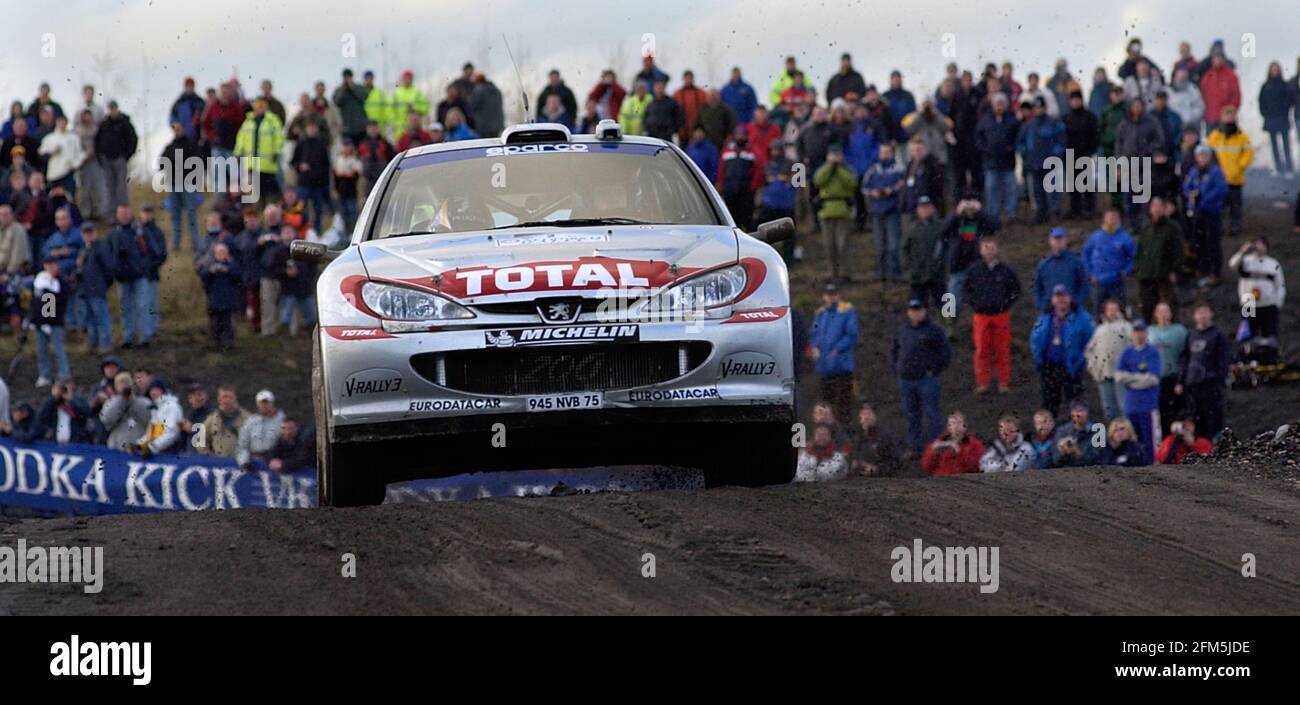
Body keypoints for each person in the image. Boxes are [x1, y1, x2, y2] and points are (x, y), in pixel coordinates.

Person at [891, 298, 951, 455]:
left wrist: (935, 370)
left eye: (918, 309)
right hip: (906, 380)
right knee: (911, 415)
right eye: (912, 310)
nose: (915, 313)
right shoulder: (903, 330)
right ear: (908, 312)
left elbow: (946, 353)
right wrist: (896, 368)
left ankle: (936, 448)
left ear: (925, 311)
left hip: (927, 379)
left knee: (932, 414)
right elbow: (894, 350)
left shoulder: (934, 330)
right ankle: (914, 447)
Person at [963, 237, 1020, 393]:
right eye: (986, 248)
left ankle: (1003, 382)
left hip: (1001, 315)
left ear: (997, 249)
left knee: (1002, 349)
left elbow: (1016, 290)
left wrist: (1006, 304)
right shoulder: (974, 270)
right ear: (981, 250)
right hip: (981, 316)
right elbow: (966, 290)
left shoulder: (1006, 270)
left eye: (992, 248)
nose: (989, 251)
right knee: (981, 350)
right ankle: (982, 383)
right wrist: (975, 304)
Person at [1030, 285, 1094, 417]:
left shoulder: (1082, 317)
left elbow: (1091, 341)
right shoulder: (1045, 317)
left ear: (1070, 298)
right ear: (1053, 299)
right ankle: (1050, 434)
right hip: (1049, 367)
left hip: (1072, 368)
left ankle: (1077, 432)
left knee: (1075, 404)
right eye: (1057, 297)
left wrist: (1082, 360)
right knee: (1049, 404)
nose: (1061, 300)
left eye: (1064, 296)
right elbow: (1035, 339)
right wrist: (1038, 358)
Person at [942, 195, 997, 333]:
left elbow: (995, 226)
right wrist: (957, 213)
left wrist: (980, 212)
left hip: (978, 266)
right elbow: (943, 231)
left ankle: (981, 328)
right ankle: (950, 327)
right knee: (952, 300)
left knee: (980, 299)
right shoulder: (955, 220)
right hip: (958, 266)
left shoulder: (981, 220)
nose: (969, 208)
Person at [1176, 302, 1231, 440]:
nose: (1203, 316)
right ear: (1194, 316)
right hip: (1193, 385)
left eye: (1205, 312)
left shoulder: (1217, 335)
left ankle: (1215, 447)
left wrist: (1220, 379)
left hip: (1211, 384)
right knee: (1196, 418)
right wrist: (1180, 381)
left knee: (1213, 418)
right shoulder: (1191, 335)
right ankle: (1201, 449)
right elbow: (1185, 359)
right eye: (1199, 313)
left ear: (1211, 314)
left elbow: (1223, 359)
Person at [1227, 237, 1285, 365]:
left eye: (1262, 244)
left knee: (1269, 334)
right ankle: (1246, 360)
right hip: (1248, 302)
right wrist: (1242, 251)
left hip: (1268, 303)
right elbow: (1232, 264)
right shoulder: (1245, 260)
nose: (1259, 247)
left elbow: (1280, 285)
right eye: (1256, 244)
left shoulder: (1273, 263)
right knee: (1247, 334)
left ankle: (1269, 361)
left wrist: (1277, 303)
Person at [1114, 319, 1163, 460]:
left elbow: (1153, 379)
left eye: (1141, 331)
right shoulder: (1126, 353)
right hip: (1131, 406)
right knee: (1133, 441)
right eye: (1136, 332)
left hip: (1148, 405)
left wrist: (1130, 380)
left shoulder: (1153, 352)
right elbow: (1118, 377)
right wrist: (1140, 378)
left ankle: (1153, 468)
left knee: (1150, 442)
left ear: (1146, 333)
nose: (1139, 335)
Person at [809, 283, 858, 423]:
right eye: (828, 295)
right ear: (824, 296)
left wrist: (838, 349)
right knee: (825, 405)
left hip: (842, 366)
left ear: (838, 295)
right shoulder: (820, 313)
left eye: (834, 294)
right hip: (824, 367)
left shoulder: (847, 310)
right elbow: (814, 334)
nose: (831, 297)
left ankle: (845, 436)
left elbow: (851, 334)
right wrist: (814, 347)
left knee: (844, 405)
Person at [1182, 144, 1228, 287]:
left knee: (1212, 243)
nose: (1202, 158)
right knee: (1199, 242)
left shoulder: (1215, 172)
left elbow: (1221, 190)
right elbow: (1186, 187)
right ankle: (1202, 270)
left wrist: (1202, 198)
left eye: (1204, 155)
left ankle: (1215, 273)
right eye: (1199, 156)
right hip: (1197, 213)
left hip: (1211, 213)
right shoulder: (1194, 171)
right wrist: (1191, 195)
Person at [812, 144, 858, 283]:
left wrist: (838, 168)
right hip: (826, 211)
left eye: (838, 155)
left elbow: (852, 183)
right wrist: (830, 167)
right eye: (833, 155)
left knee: (843, 244)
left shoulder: (847, 169)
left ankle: (844, 272)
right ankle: (831, 272)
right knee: (828, 244)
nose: (835, 157)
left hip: (843, 210)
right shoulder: (823, 169)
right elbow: (818, 180)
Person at [1204, 105, 1253, 238]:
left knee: (1235, 206)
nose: (1229, 118)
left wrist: (1240, 167)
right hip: (1219, 179)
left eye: (1231, 115)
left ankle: (1235, 226)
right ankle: (1218, 227)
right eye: (1227, 115)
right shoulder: (1215, 136)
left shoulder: (1242, 136)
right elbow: (1207, 153)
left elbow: (1248, 153)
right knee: (1219, 206)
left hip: (1235, 179)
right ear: (1222, 117)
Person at [1016, 96, 1066, 222]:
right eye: (1036, 108)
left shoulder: (1053, 123)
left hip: (1050, 163)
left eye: (1041, 107)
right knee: (1037, 190)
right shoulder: (1028, 126)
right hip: (1035, 163)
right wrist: (1026, 154)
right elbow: (1020, 142)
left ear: (1045, 108)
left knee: (1053, 189)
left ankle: (1055, 211)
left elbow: (1061, 141)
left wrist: (1055, 156)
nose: (1038, 110)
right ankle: (1041, 212)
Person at [1134, 197, 1183, 321]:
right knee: (1147, 307)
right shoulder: (1146, 227)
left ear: (1164, 208)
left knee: (1167, 306)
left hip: (1164, 275)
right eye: (1154, 206)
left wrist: (1175, 270)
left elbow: (1178, 251)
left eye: (1159, 206)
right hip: (1146, 276)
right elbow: (1140, 250)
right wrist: (1138, 269)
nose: (1156, 209)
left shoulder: (1173, 227)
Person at [862, 142, 905, 282]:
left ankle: (895, 272)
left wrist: (891, 190)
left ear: (892, 153)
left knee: (894, 244)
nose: (885, 155)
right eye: (882, 152)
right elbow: (864, 187)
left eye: (887, 152)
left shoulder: (898, 169)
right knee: (879, 244)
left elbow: (902, 185)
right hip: (877, 211)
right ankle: (881, 272)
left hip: (893, 210)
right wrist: (873, 193)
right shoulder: (873, 169)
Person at [974, 93, 1019, 224]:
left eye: (1001, 103)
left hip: (1008, 162)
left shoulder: (1012, 119)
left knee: (1011, 189)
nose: (999, 106)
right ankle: (993, 216)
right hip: (991, 162)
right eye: (997, 104)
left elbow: (1018, 136)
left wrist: (1012, 147)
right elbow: (978, 137)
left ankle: (1011, 214)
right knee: (991, 190)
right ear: (992, 105)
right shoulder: (985, 119)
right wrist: (985, 149)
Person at [1085, 298, 1132, 420]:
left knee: (1124, 406)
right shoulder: (1099, 330)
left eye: (1114, 309)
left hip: (1122, 374)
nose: (1112, 312)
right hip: (1104, 374)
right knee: (1109, 409)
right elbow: (1090, 351)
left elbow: (1133, 347)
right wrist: (1094, 369)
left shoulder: (1126, 327)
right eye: (1109, 309)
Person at [29, 255, 72, 386]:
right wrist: (34, 318)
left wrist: (50, 295)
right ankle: (45, 375)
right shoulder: (40, 281)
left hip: (55, 321)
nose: (51, 268)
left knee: (58, 349)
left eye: (53, 265)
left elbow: (62, 298)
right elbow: (36, 302)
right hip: (40, 322)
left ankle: (64, 375)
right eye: (48, 265)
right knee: (41, 350)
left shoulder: (61, 281)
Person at [1082, 209, 1136, 311]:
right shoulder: (1095, 237)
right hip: (1098, 282)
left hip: (1117, 282)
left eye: (1114, 218)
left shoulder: (1126, 238)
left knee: (1120, 311)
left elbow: (1133, 257)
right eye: (1109, 218)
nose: (1111, 220)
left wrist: (1127, 270)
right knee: (1098, 312)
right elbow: (1085, 254)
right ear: (1104, 219)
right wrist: (1090, 273)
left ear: (1119, 219)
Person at [900, 196, 948, 311]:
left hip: (938, 274)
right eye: (922, 208)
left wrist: (943, 265)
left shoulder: (941, 226)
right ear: (918, 210)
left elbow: (947, 247)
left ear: (932, 208)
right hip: (918, 275)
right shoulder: (912, 228)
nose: (925, 210)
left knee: (945, 306)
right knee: (918, 306)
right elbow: (904, 249)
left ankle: (949, 327)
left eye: (927, 207)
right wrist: (908, 269)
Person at [234, 98, 285, 204]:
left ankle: (269, 213)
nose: (260, 108)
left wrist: (277, 152)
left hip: (268, 165)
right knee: (255, 193)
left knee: (270, 193)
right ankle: (257, 213)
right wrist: (238, 153)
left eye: (262, 105)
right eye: (258, 105)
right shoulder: (248, 121)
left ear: (266, 107)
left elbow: (279, 137)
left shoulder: (273, 120)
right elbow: (241, 138)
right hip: (252, 165)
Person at [1148, 302, 1189, 433]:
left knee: (1177, 412)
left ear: (1171, 314)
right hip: (1156, 379)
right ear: (1155, 314)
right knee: (1161, 414)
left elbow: (1185, 356)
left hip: (1174, 377)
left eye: (1166, 311)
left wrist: (1181, 380)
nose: (1163, 315)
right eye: (1160, 311)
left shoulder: (1179, 331)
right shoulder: (1150, 331)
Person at [1033, 227, 1089, 312]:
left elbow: (1084, 285)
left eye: (1061, 239)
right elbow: (1037, 287)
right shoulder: (1044, 264)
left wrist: (1077, 303)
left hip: (1072, 310)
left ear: (1065, 241)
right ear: (1050, 241)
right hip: (1048, 310)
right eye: (1055, 239)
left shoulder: (1076, 262)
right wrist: (1041, 305)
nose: (1058, 242)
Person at [94, 101, 138, 208]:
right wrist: (100, 157)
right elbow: (97, 142)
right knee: (109, 187)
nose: (112, 111)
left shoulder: (125, 123)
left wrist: (126, 155)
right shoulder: (104, 124)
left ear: (117, 109)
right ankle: (111, 214)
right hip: (106, 160)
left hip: (120, 159)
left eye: (114, 108)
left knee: (121, 187)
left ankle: (123, 212)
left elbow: (133, 139)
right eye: (110, 108)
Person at [199, 242, 242, 350]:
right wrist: (210, 271)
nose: (221, 254)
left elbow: (239, 276)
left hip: (229, 301)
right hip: (214, 301)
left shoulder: (232, 264)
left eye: (223, 252)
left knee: (228, 325)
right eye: (219, 252)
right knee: (215, 324)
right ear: (215, 254)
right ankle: (215, 343)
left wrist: (227, 270)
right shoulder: (209, 266)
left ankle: (229, 344)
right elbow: (204, 279)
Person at [716, 128, 760, 229]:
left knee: (746, 217)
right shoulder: (727, 151)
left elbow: (758, 169)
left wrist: (753, 186)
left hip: (746, 189)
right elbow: (721, 169)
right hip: (730, 189)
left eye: (742, 134)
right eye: (738, 134)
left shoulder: (752, 152)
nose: (740, 137)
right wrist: (720, 184)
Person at [921, 411, 985, 477]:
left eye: (958, 423)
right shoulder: (939, 443)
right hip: (941, 481)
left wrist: (959, 452)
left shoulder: (975, 445)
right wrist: (933, 453)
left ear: (965, 426)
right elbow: (927, 467)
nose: (955, 427)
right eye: (951, 424)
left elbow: (975, 468)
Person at [100, 371, 151, 452]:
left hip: (137, 450)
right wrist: (121, 400)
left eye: (126, 383)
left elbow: (149, 418)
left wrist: (132, 400)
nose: (124, 386)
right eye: (120, 384)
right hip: (116, 448)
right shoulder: (111, 402)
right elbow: (106, 419)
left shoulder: (144, 401)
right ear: (116, 387)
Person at [1259, 61, 1294, 174]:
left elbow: (1290, 100)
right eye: (1272, 69)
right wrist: (1265, 113)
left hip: (1282, 118)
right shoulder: (1265, 86)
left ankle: (1289, 168)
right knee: (1274, 145)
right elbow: (1261, 101)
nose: (1274, 71)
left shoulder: (1285, 85)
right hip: (1271, 118)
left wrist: (1284, 110)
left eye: (1276, 69)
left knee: (1286, 144)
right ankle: (1279, 167)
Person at [849, 402, 900, 476]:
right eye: (863, 414)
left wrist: (877, 469)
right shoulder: (856, 436)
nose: (866, 417)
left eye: (869, 414)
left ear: (875, 416)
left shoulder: (886, 436)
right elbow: (853, 457)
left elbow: (896, 461)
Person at [237, 389, 285, 468]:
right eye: (261, 403)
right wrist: (244, 461)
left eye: (267, 403)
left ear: (272, 403)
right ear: (257, 404)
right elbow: (242, 445)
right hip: (253, 463)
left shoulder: (282, 420)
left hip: (274, 463)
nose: (264, 406)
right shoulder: (250, 422)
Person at [198, 385, 250, 457]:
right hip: (220, 464)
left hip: (241, 463)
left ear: (235, 398)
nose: (226, 400)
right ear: (219, 399)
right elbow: (200, 441)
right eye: (224, 397)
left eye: (229, 397)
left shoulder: (248, 419)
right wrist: (209, 458)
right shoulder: (211, 420)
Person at [1052, 400, 1102, 467]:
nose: (1078, 414)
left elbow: (1099, 459)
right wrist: (1063, 452)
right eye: (1075, 411)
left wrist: (1077, 452)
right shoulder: (1062, 431)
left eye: (1081, 411)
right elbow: (1055, 460)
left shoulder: (1097, 431)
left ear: (1087, 412)